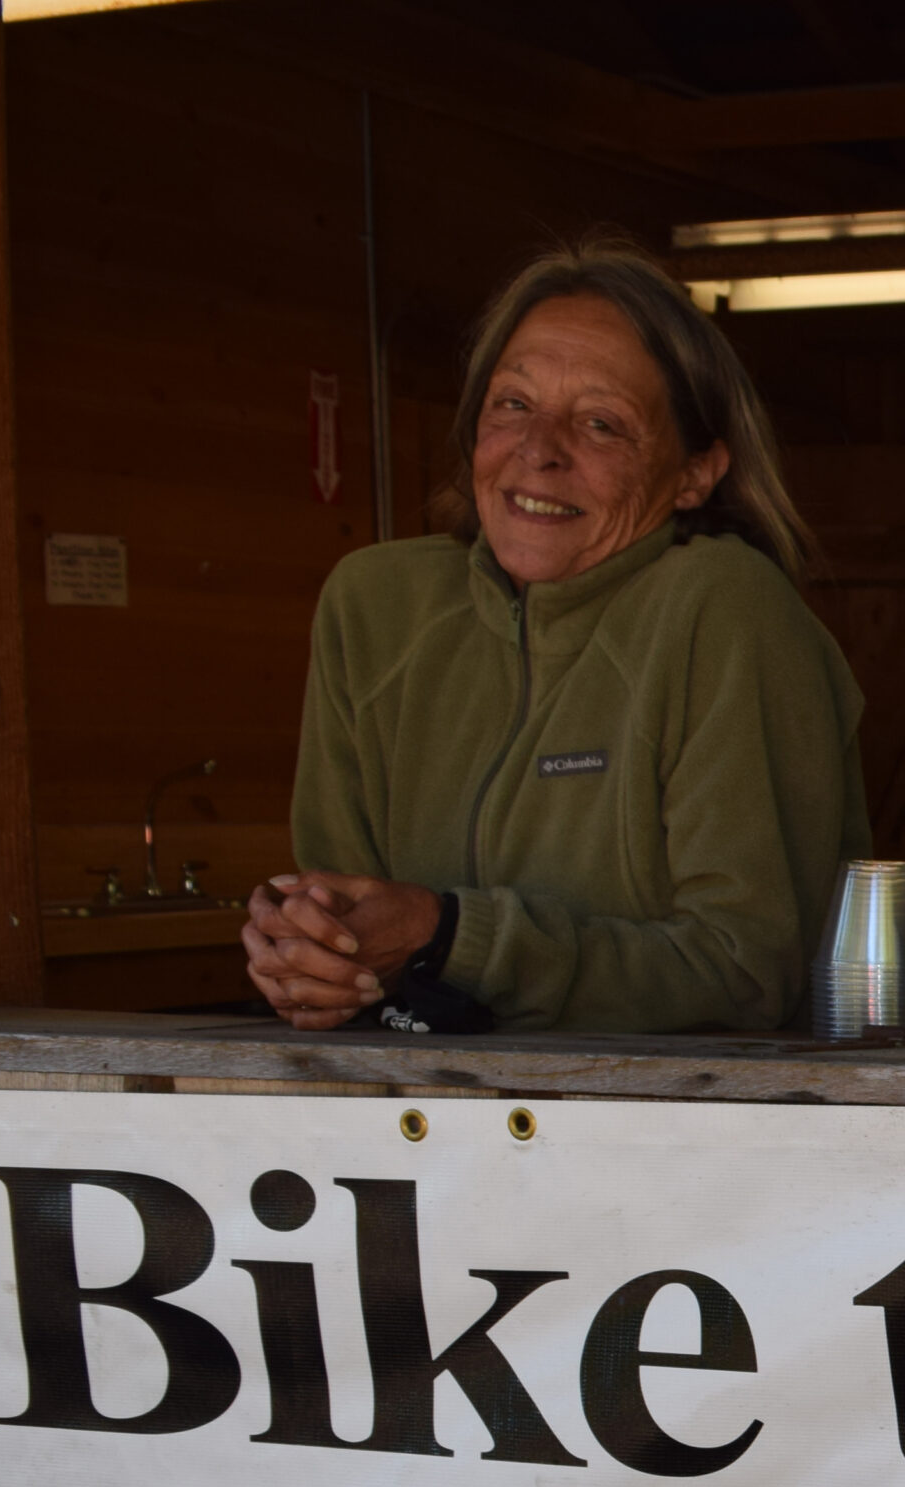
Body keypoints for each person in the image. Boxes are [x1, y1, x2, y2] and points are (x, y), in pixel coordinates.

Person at [245, 234, 869, 1033]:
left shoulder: (725, 609)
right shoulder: (372, 608)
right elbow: (344, 922)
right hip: (418, 1139)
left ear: (696, 472)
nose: (539, 451)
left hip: (670, 1140)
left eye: (601, 423)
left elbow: (753, 978)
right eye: (513, 404)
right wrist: (306, 952)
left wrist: (451, 938)